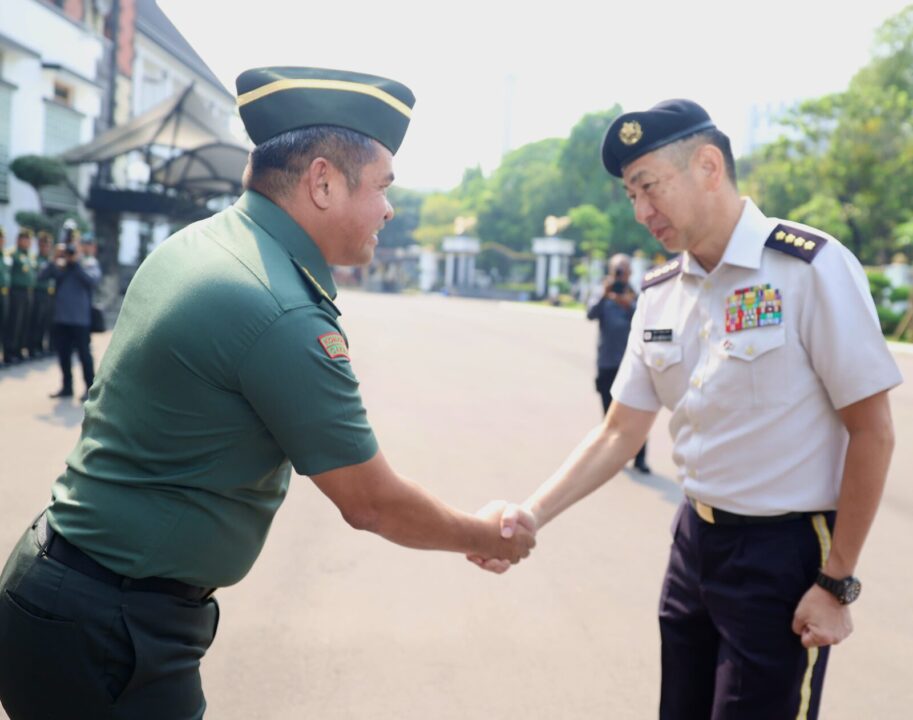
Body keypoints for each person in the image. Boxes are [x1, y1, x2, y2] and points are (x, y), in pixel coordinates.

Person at [0, 66, 534, 720]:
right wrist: (486, 533)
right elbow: (370, 502)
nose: (389, 209)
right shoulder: (277, 307)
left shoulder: (206, 245)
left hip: (72, 596)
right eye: (382, 187)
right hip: (110, 628)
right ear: (322, 181)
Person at [477, 99, 902, 719]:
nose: (642, 211)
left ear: (708, 166)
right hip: (694, 543)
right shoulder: (660, 295)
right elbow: (619, 431)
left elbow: (873, 432)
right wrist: (533, 514)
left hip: (782, 555)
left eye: (649, 187)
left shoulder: (809, 269)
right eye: (630, 195)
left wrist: (836, 583)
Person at [587, 252, 649, 473]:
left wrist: (627, 304)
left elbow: (646, 318)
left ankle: (640, 459)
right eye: (617, 270)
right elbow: (590, 314)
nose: (621, 274)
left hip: (631, 363)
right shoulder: (602, 292)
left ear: (631, 271)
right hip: (606, 361)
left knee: (640, 412)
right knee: (610, 414)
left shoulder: (638, 294)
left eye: (624, 270)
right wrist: (605, 294)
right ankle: (613, 457)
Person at [39, 226, 100, 401]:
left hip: (80, 319)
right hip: (62, 318)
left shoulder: (88, 262)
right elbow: (41, 277)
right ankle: (67, 387)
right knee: (63, 353)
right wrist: (54, 258)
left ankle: (90, 389)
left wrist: (76, 263)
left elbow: (92, 280)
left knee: (84, 355)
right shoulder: (60, 263)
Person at [3, 228, 35, 364]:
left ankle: (18, 350)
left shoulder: (29, 255)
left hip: (27, 292)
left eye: (28, 239)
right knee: (14, 323)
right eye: (23, 239)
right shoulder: (12, 253)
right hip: (16, 292)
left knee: (24, 323)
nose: (26, 241)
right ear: (18, 240)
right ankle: (9, 353)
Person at [27, 230, 55, 359]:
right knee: (36, 321)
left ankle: (41, 347)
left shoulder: (51, 260)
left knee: (45, 322)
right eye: (43, 245)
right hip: (39, 293)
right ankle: (33, 348)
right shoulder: (34, 259)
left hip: (49, 294)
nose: (45, 248)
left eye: (48, 245)